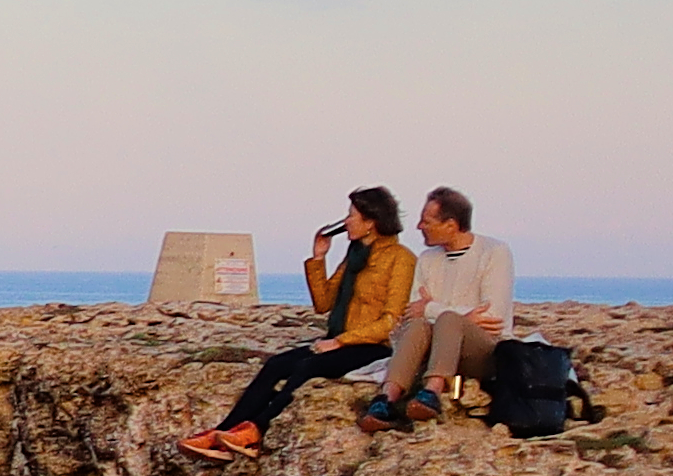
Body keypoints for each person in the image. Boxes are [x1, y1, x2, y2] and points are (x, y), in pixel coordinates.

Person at [171, 190, 410, 459]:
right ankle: (221, 434)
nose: (346, 221)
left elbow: (390, 321)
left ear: (371, 222)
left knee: (308, 366)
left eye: (352, 216)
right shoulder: (355, 256)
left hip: (371, 346)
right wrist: (318, 258)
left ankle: (255, 431)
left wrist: (340, 341)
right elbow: (323, 302)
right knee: (276, 364)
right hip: (338, 338)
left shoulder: (400, 259)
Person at [361, 188, 513, 424]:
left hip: (483, 348)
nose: (419, 226)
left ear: (451, 225)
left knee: (448, 320)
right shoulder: (427, 259)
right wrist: (462, 314)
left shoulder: (494, 252)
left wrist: (432, 308)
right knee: (420, 325)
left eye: (427, 221)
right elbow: (413, 312)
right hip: (435, 345)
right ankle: (386, 399)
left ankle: (431, 392)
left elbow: (492, 316)